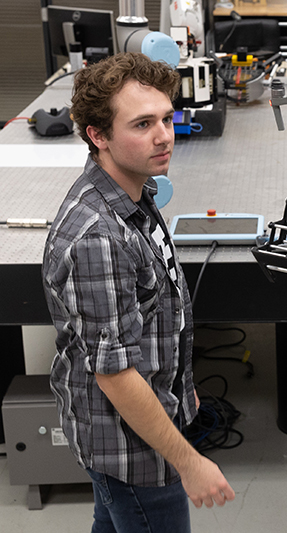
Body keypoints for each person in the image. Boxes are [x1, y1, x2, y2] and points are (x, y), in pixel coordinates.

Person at [42, 52, 234, 532]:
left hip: (136, 427)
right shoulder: (98, 238)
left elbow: (153, 311)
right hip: (133, 451)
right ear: (98, 135)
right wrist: (189, 462)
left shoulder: (133, 191)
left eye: (167, 118)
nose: (164, 135)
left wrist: (179, 383)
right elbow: (116, 375)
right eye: (143, 124)